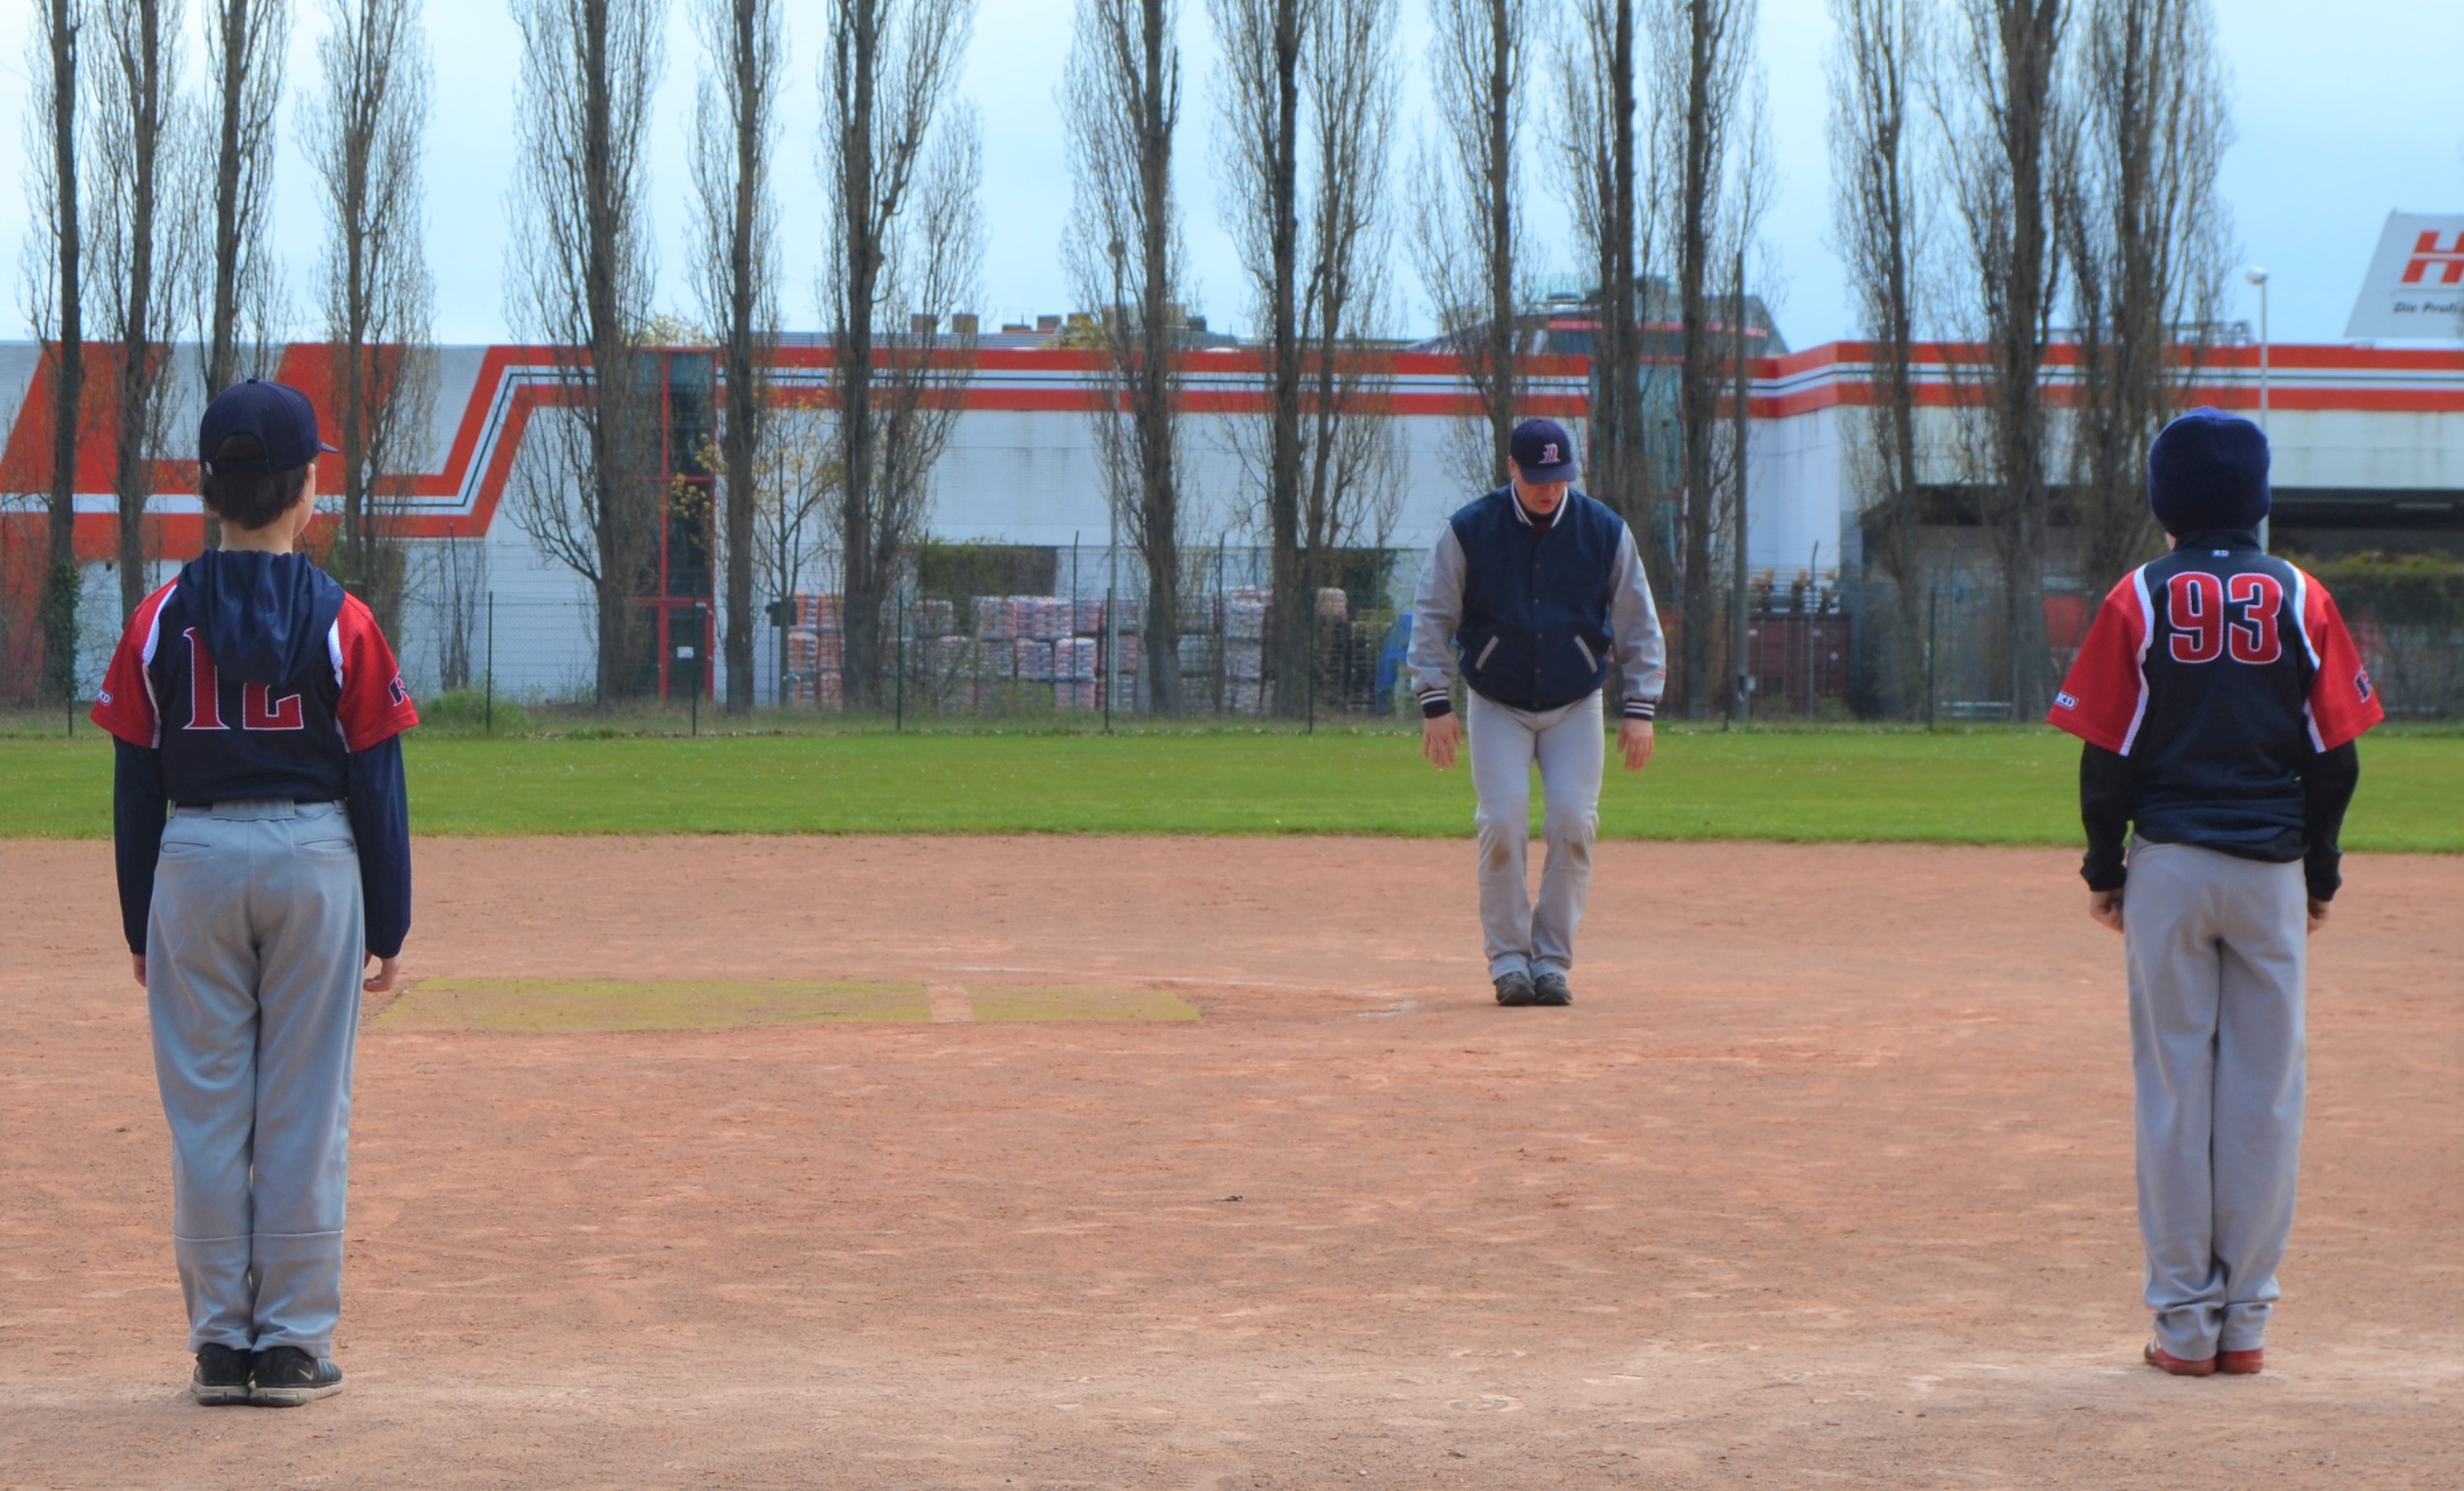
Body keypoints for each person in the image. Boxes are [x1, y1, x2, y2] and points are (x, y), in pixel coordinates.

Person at [90, 379, 419, 1407]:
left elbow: (136, 777)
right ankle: (290, 1344)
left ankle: (219, 1345)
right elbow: (375, 775)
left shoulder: (157, 619)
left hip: (191, 861)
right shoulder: (343, 618)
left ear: (210, 496)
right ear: (306, 492)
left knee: (206, 1115)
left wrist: (138, 914)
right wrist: (391, 920)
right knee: (303, 1111)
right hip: (315, 858)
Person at [2047, 406, 2382, 1379]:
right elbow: (2336, 761)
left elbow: (2104, 758)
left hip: (2171, 866)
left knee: (2172, 1094)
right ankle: (2246, 1326)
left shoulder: (2135, 596)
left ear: (2164, 502)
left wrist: (2104, 867)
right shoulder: (2300, 596)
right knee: (2264, 1099)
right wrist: (2316, 870)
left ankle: (2183, 1326)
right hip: (2269, 867)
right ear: (2258, 499)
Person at [1408, 417, 1666, 1007]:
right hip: (1496, 701)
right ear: (1512, 469)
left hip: (1575, 701)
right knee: (1501, 824)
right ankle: (1508, 964)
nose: (1549, 489)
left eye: (1559, 476)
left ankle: (1550, 963)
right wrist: (1434, 700)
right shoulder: (1471, 529)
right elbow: (1432, 614)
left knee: (1573, 824)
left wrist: (1640, 706)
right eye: (1537, 477)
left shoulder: (1602, 530)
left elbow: (1637, 622)